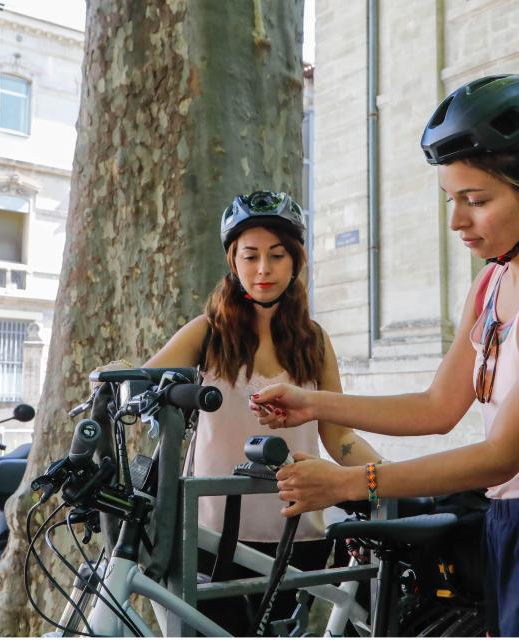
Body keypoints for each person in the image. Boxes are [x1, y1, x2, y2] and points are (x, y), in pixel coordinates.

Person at [250, 75, 519, 638]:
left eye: (476, 201)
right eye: (451, 200)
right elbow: (437, 407)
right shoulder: (490, 286)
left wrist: (350, 482)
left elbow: (504, 454)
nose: (456, 221)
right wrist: (314, 403)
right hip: (506, 524)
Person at [140, 190, 382, 634]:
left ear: (296, 262)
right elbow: (140, 384)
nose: (263, 270)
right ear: (233, 262)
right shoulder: (207, 334)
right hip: (213, 532)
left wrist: (392, 480)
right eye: (250, 256)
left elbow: (340, 438)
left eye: (277, 255)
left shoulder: (314, 340)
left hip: (298, 530)